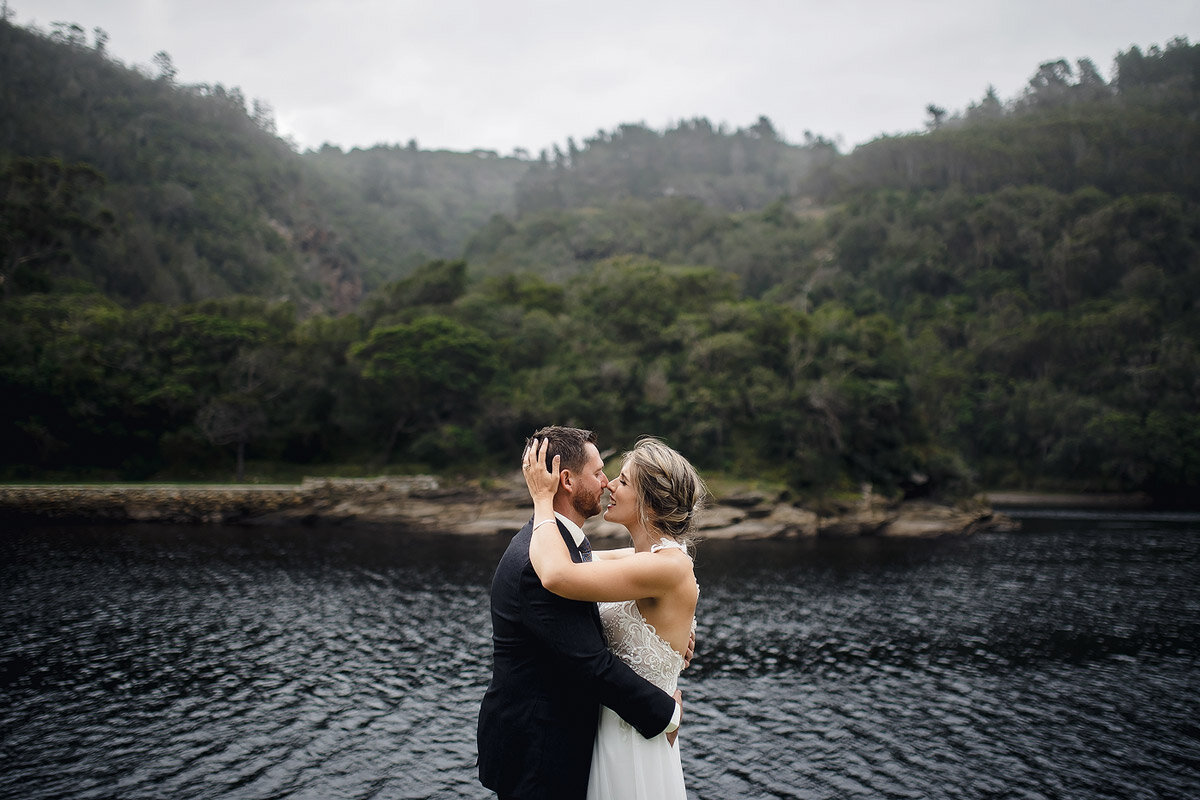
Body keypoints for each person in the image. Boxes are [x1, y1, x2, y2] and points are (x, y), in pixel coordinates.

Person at [476, 426, 684, 800]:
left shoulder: (563, 546)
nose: (606, 483)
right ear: (567, 481)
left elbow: (652, 567)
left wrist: (669, 633)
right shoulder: (539, 565)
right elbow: (591, 663)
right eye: (600, 472)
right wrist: (667, 712)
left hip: (569, 743)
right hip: (539, 754)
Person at [522, 434, 705, 800]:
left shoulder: (666, 567)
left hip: (634, 740)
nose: (610, 485)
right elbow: (577, 558)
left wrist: (542, 500)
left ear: (649, 504)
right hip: (612, 727)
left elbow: (558, 575)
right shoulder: (646, 557)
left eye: (623, 481)